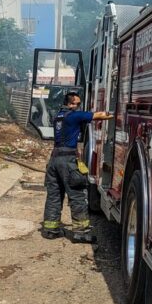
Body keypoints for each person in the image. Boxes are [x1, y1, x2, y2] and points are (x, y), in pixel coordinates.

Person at [42, 92, 112, 243]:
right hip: (67, 160)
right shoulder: (74, 116)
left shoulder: (58, 116)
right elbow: (100, 115)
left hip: (54, 159)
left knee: (54, 195)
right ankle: (80, 232)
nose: (78, 106)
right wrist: (115, 113)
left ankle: (50, 229)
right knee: (77, 195)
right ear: (70, 104)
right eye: (76, 104)